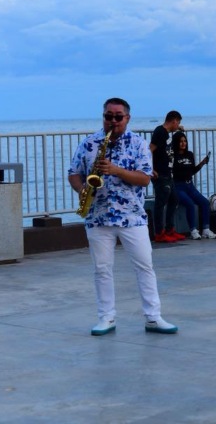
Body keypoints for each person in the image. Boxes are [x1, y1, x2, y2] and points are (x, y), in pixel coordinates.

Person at [68, 97, 178, 336]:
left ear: (127, 118)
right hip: (98, 216)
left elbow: (145, 178)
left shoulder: (138, 144)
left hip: (132, 217)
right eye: (109, 116)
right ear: (103, 117)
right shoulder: (89, 143)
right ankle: (106, 318)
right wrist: (83, 190)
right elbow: (74, 173)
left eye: (119, 117)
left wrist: (117, 170)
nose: (113, 121)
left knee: (145, 266)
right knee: (102, 269)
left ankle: (153, 317)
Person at [172, 131, 216, 240]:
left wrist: (202, 163)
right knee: (189, 204)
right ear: (176, 142)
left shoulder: (189, 154)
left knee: (205, 202)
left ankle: (206, 229)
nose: (183, 143)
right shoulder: (173, 156)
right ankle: (193, 230)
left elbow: (192, 171)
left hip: (190, 185)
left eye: (184, 141)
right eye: (180, 141)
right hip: (178, 186)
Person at [151, 110, 184, 243]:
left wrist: (177, 130)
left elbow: (167, 141)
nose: (179, 125)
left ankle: (170, 229)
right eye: (178, 123)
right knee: (161, 203)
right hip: (160, 173)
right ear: (174, 120)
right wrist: (151, 169)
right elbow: (150, 149)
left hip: (168, 173)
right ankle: (159, 233)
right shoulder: (160, 132)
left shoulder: (166, 133)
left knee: (174, 199)